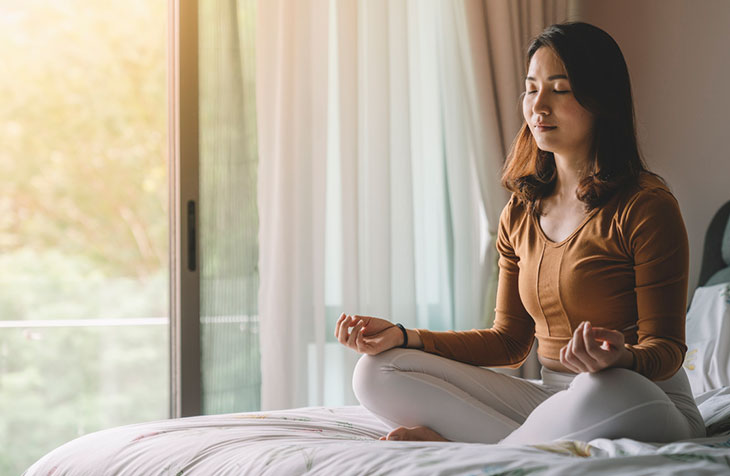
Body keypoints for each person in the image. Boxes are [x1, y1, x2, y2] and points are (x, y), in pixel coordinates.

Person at [334, 21, 706, 445]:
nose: (538, 106)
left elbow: (668, 350)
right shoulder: (521, 211)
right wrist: (404, 336)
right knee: (377, 370)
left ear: (601, 100)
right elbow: (509, 342)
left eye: (560, 89)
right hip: (551, 401)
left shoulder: (646, 206)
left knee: (602, 386)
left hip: (640, 395)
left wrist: (622, 357)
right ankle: (524, 444)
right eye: (531, 88)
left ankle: (473, 445)